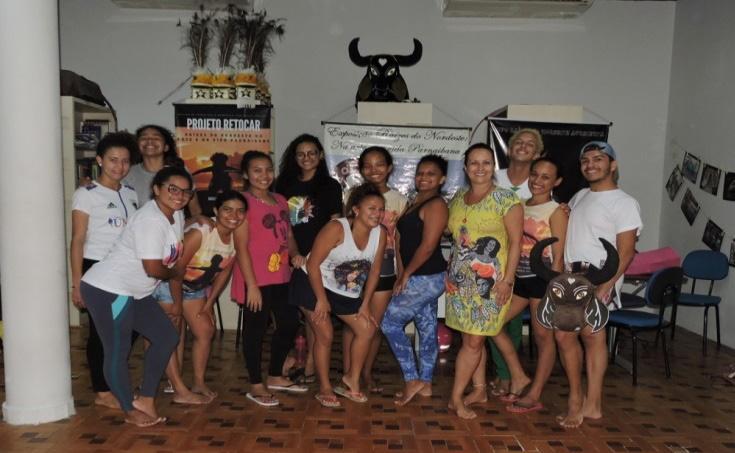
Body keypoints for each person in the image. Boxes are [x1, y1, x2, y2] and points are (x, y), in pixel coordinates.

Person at [79, 166, 193, 427]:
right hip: (109, 290)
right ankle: (129, 409)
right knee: (117, 350)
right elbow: (153, 268)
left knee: (166, 337)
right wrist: (176, 272)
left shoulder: (175, 214)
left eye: (186, 192)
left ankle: (146, 399)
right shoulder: (149, 220)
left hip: (136, 291)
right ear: (156, 189)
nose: (179, 196)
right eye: (173, 189)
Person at [555, 141, 642, 428]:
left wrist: (607, 285)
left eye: (598, 159)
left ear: (612, 165)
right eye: (585, 160)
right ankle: (585, 402)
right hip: (571, 277)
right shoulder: (580, 195)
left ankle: (586, 402)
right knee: (571, 337)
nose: (590, 164)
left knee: (584, 337)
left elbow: (626, 251)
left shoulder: (625, 203)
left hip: (599, 277)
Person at [445, 143, 528, 420]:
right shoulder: (458, 197)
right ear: (465, 167)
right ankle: (479, 390)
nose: (480, 168)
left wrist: (508, 280)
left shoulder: (506, 200)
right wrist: (450, 273)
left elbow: (516, 243)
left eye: (486, 162)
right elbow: (457, 240)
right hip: (459, 282)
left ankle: (456, 398)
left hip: (491, 283)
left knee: (473, 341)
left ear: (493, 167)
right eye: (474, 162)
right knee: (471, 339)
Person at [290, 183, 386, 408]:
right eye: (371, 208)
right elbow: (312, 264)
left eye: (381, 209)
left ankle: (351, 379)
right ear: (356, 210)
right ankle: (324, 387)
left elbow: (375, 271)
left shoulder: (380, 233)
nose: (377, 213)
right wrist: (321, 299)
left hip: (344, 289)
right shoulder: (336, 228)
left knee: (367, 329)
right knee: (325, 334)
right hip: (311, 283)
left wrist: (365, 304)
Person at [153, 190, 247, 402]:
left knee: (205, 330)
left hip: (195, 290)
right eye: (227, 209)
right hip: (168, 285)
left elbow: (225, 271)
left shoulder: (238, 237)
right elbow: (176, 269)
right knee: (171, 335)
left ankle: (198, 382)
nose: (234, 215)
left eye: (240, 211)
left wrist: (210, 302)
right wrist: (177, 304)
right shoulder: (202, 232)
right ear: (216, 210)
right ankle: (176, 386)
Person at [70, 132, 139, 410]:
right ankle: (102, 390)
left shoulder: (130, 193)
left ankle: (113, 376)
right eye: (113, 160)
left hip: (127, 269)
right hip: (97, 268)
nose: (119, 166)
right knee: (101, 333)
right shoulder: (86, 194)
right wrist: (77, 283)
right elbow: (77, 240)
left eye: (125, 161)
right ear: (99, 160)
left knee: (131, 327)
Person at [235, 151, 308, 407]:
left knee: (289, 323)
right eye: (257, 170)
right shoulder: (242, 202)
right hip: (255, 278)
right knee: (255, 331)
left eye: (268, 169)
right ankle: (256, 384)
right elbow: (241, 247)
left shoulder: (280, 200)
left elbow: (288, 236)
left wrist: (295, 254)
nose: (264, 175)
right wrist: (252, 286)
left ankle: (275, 375)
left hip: (281, 275)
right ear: (246, 174)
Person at [381, 155, 449, 406]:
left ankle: (412, 379)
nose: (424, 177)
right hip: (418, 276)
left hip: (427, 277)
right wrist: (402, 273)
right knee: (427, 327)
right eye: (420, 173)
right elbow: (402, 242)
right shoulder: (415, 202)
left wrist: (407, 274)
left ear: (442, 179)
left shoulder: (436, 205)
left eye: (431, 174)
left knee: (389, 323)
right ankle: (426, 383)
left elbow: (428, 246)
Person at [275, 134, 343, 384]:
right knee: (289, 314)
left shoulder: (330, 186)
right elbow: (279, 224)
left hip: (318, 258)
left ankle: (311, 366)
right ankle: (291, 360)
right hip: (286, 255)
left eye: (312, 153)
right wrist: (292, 254)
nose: (306, 158)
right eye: (301, 153)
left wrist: (321, 256)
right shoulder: (283, 184)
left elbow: (335, 222)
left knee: (314, 314)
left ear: (320, 155)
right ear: (294, 157)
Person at [501, 157, 567, 414]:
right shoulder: (519, 204)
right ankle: (518, 376)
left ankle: (535, 393)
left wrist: (553, 291)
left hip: (542, 282)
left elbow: (558, 257)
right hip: (519, 280)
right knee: (492, 323)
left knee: (542, 337)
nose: (538, 181)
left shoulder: (556, 211)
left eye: (546, 177)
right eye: (535, 174)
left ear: (557, 182)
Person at [343, 146, 407, 394]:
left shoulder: (399, 200)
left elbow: (400, 240)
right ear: (361, 170)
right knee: (352, 324)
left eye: (379, 164)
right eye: (367, 165)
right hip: (355, 265)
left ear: (389, 168)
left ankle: (365, 373)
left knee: (373, 324)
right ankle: (349, 374)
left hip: (386, 266)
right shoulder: (351, 196)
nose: (374, 170)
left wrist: (401, 272)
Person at [490, 128, 543, 396]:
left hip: (521, 261)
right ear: (509, 149)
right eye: (518, 142)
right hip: (490, 257)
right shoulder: (492, 177)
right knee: (493, 316)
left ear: (538, 154)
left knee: (509, 321)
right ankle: (504, 374)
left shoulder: (538, 182)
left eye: (530, 144)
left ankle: (507, 375)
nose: (523, 146)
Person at [124, 124, 201, 216]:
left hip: (175, 224)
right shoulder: (127, 173)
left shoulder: (179, 170)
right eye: (144, 138)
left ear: (166, 147)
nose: (149, 141)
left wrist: (197, 221)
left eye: (156, 138)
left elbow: (195, 209)